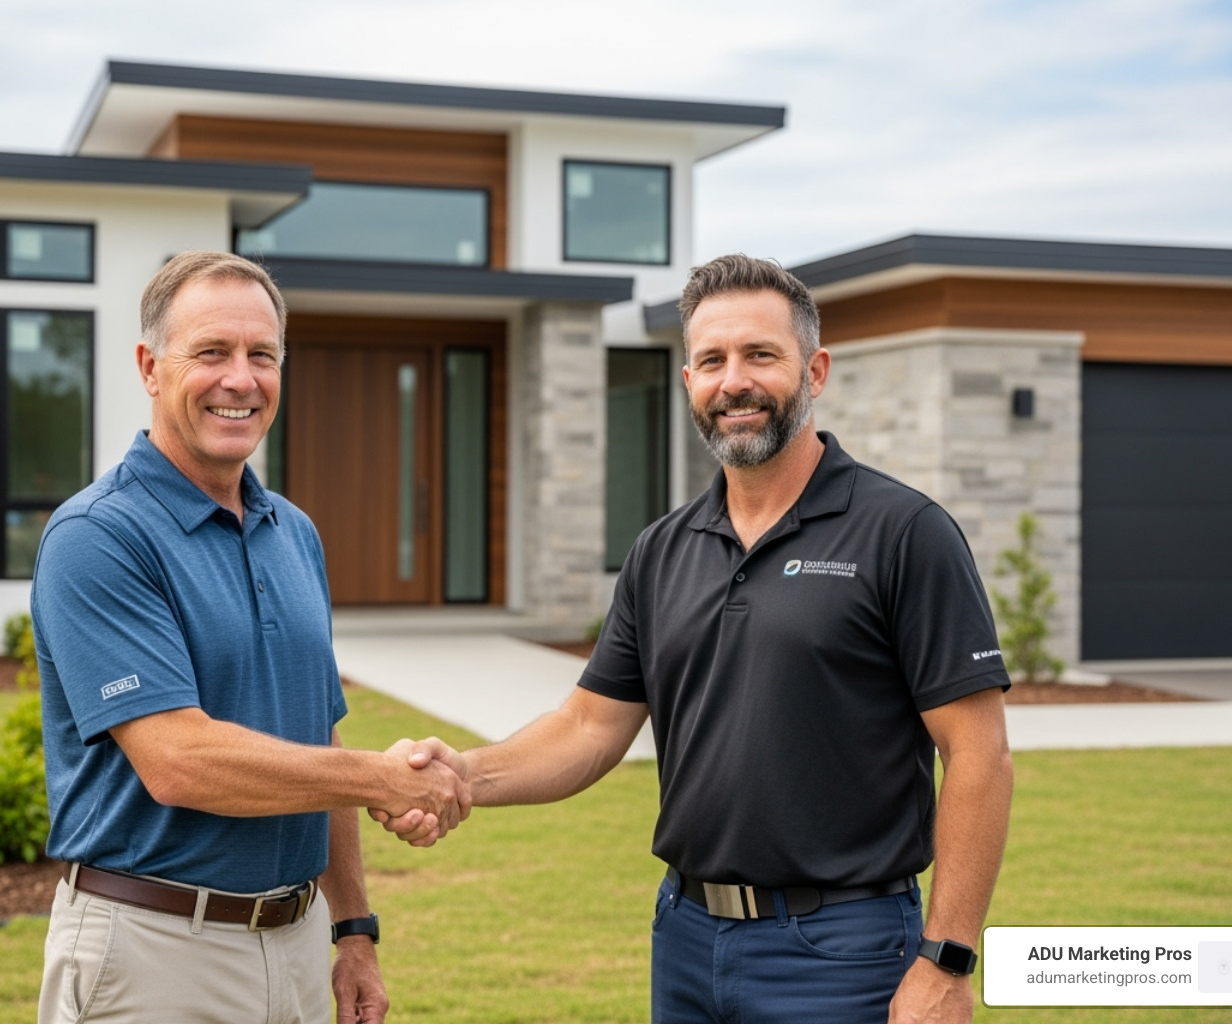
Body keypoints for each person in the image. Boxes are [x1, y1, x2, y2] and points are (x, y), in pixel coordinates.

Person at [382, 254, 1014, 1024]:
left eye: (760, 356)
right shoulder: (662, 550)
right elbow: (588, 728)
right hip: (684, 937)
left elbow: (979, 753)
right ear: (688, 383)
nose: (734, 382)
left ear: (814, 371)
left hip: (842, 949)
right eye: (711, 360)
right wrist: (462, 776)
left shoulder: (904, 533)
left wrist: (947, 960)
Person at [32, 250, 469, 1024]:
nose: (241, 379)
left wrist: (354, 931)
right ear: (150, 367)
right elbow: (179, 761)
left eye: (262, 355)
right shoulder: (98, 537)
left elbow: (318, 737)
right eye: (211, 352)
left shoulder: (291, 532)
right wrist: (385, 778)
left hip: (295, 946)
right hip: (154, 953)